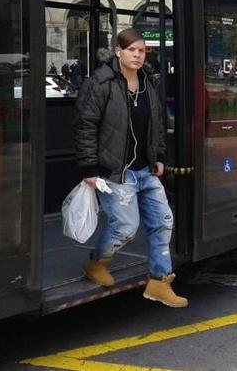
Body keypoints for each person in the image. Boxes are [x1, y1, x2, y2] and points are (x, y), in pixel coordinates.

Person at [73, 28, 187, 308]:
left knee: (163, 221)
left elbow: (157, 123)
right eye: (131, 50)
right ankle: (96, 263)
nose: (137, 55)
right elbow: (85, 126)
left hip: (145, 170)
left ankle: (159, 282)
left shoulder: (149, 81)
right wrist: (89, 168)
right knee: (126, 226)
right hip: (114, 171)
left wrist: (159, 156)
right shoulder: (100, 83)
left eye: (141, 50)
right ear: (118, 51)